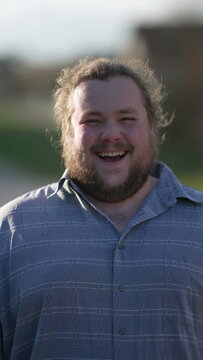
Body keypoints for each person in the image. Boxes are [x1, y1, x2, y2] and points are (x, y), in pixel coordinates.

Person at [1, 56, 203, 360]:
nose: (110, 134)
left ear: (152, 127)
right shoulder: (11, 230)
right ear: (66, 134)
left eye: (127, 119)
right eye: (92, 121)